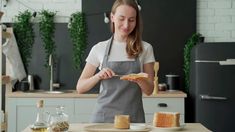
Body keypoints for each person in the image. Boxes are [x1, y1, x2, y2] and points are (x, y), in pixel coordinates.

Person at [76, 0, 155, 123]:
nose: (126, 25)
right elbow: (80, 88)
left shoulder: (146, 48)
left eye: (131, 20)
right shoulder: (99, 48)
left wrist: (139, 79)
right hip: (103, 119)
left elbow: (149, 90)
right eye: (121, 18)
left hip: (133, 120)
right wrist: (98, 76)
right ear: (112, 17)